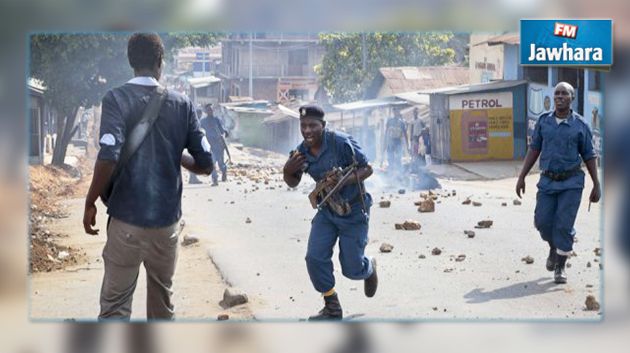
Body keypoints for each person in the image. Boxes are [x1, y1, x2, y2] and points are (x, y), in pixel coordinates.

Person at [83, 33, 214, 320]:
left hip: (126, 222)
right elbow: (206, 164)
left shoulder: (116, 98)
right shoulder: (183, 104)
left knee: (115, 308)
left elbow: (108, 154)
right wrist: (174, 152)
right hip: (166, 226)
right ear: (160, 62)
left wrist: (90, 201)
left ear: (131, 61)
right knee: (162, 307)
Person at [283, 105, 378, 320]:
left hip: (354, 210)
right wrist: (287, 170)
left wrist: (346, 179)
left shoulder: (341, 142)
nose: (307, 130)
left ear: (323, 126)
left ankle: (369, 268)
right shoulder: (301, 152)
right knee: (314, 257)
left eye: (313, 126)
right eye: (303, 126)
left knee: (352, 269)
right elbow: (293, 181)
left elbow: (367, 168)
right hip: (327, 211)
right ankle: (332, 306)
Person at [516, 82, 600, 284]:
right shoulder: (544, 122)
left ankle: (560, 267)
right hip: (547, 181)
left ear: (572, 98)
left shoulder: (581, 125)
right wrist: (522, 176)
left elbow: (589, 156)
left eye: (564, 93)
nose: (559, 96)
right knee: (542, 222)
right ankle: (554, 248)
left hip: (571, 183)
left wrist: (596, 184)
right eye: (557, 93)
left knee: (563, 224)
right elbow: (534, 149)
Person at [200, 104, 229, 186]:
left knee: (220, 163)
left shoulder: (217, 120)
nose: (211, 111)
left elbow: (222, 129)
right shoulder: (203, 121)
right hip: (209, 145)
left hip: (219, 145)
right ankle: (215, 179)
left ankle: (224, 172)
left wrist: (225, 132)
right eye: (209, 110)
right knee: (212, 162)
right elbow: (198, 129)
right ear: (206, 112)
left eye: (212, 110)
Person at [384, 109, 408, 175]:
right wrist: (385, 143)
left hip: (398, 141)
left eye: (397, 111)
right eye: (394, 111)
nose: (395, 113)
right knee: (390, 158)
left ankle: (399, 174)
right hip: (391, 141)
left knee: (398, 158)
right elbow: (386, 133)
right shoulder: (390, 121)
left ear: (398, 112)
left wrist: (407, 144)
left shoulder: (402, 123)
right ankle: (390, 173)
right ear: (393, 112)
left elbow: (405, 134)